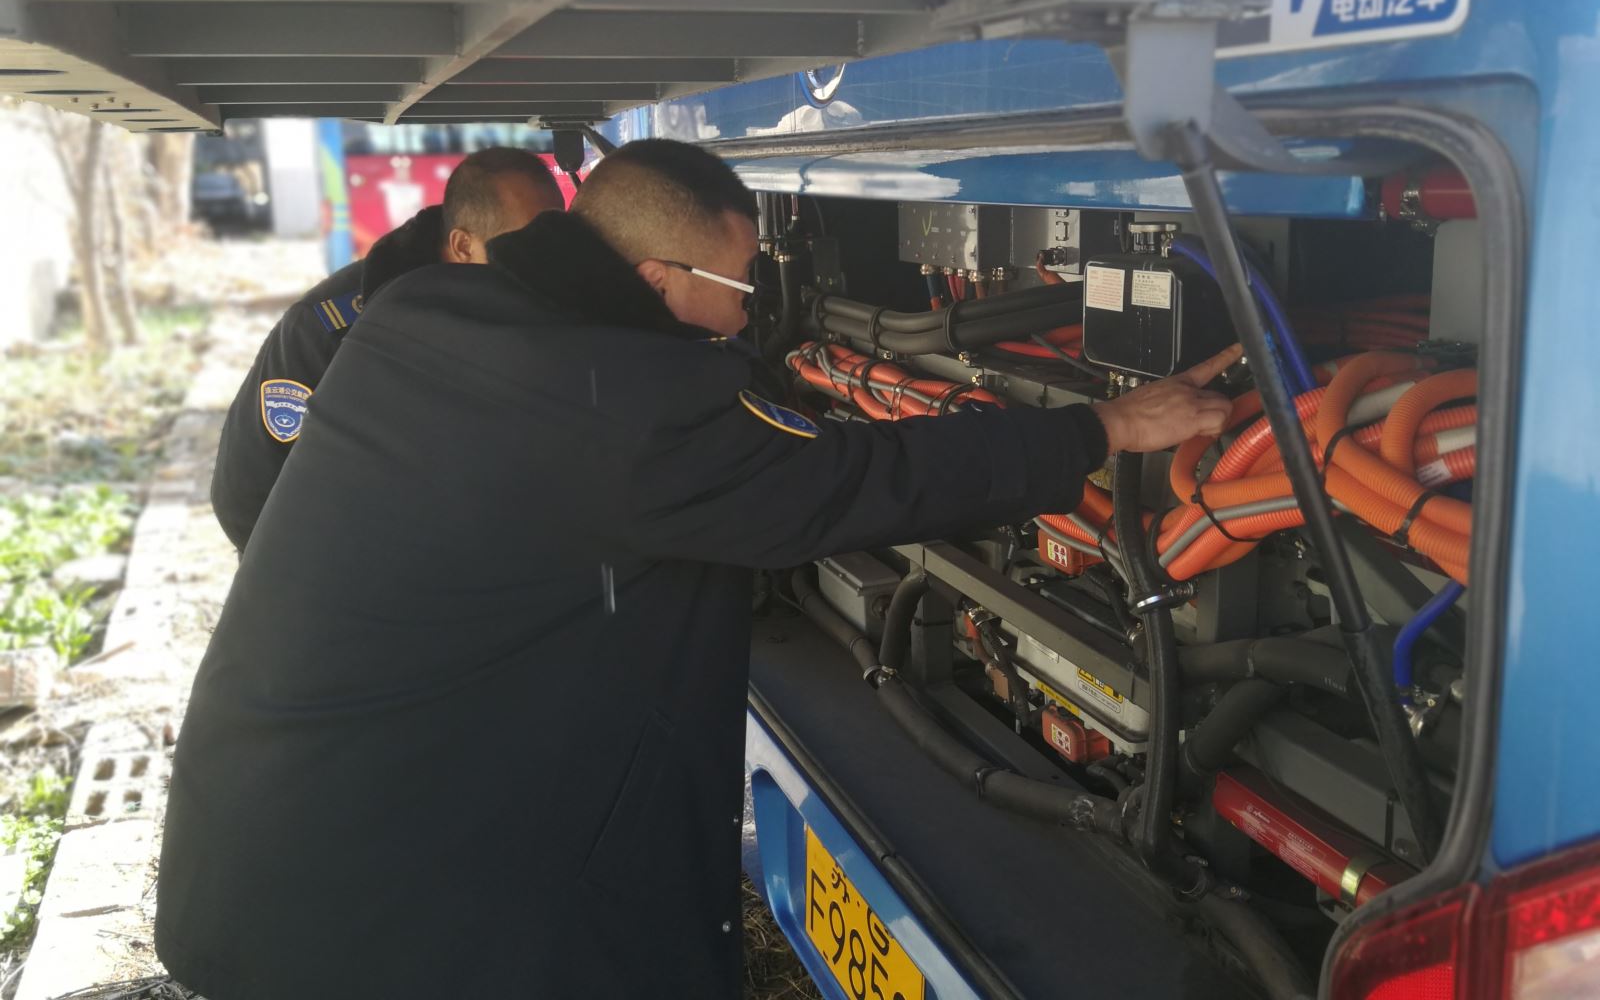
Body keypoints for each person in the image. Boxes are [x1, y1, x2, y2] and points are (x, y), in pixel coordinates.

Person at [156, 138, 1237, 999]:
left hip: (273, 834)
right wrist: (1101, 427)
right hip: (379, 925)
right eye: (741, 280)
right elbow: (853, 482)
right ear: (656, 278)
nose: (750, 305)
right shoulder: (624, 406)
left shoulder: (426, 311)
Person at [209, 146, 564, 551]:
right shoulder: (333, 328)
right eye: (523, 251)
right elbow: (248, 498)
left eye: (556, 244)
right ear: (463, 246)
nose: (546, 269)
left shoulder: (553, 308)